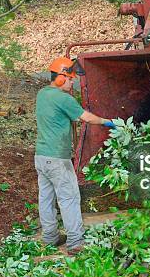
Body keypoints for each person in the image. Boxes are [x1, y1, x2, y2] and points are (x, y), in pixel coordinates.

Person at [35, 57, 116, 255]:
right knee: (69, 197)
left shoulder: (43, 94)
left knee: (46, 197)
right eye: (71, 80)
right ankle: (75, 242)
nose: (73, 84)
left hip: (41, 156)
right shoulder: (63, 98)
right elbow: (86, 117)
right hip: (58, 159)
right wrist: (107, 121)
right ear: (61, 78)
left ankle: (50, 238)